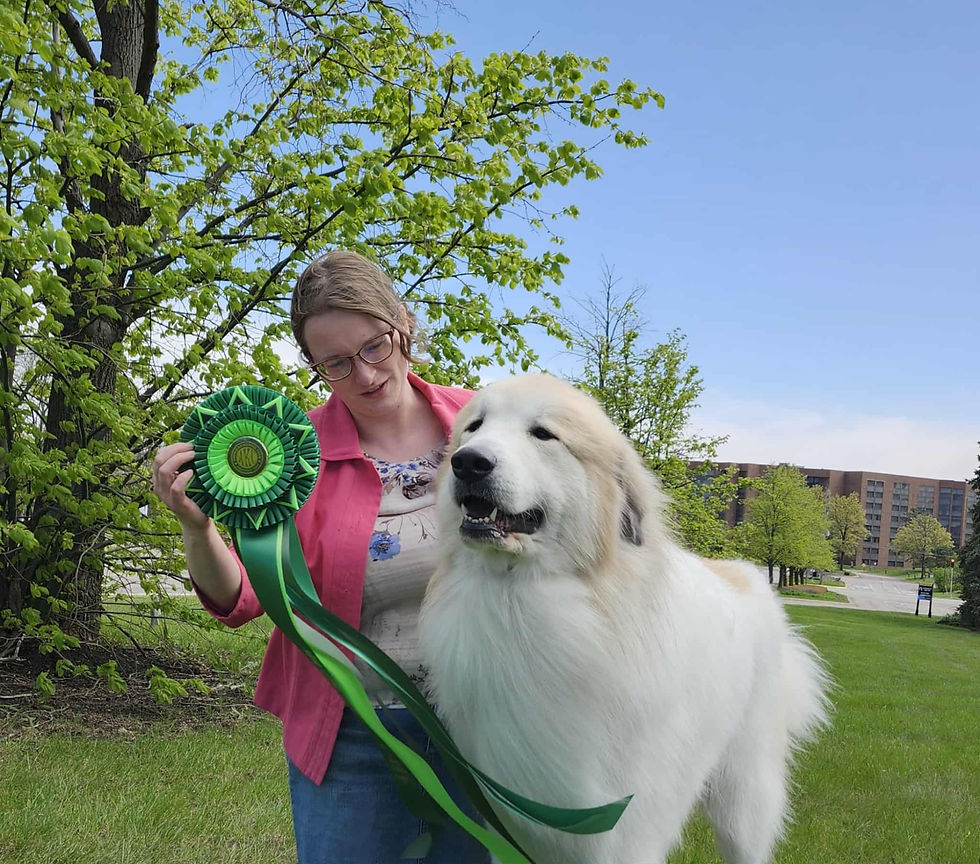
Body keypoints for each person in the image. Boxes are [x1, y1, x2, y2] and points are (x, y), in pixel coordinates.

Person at [152, 250, 489, 864]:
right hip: (352, 736)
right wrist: (197, 530)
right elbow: (241, 600)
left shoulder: (485, 424)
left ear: (401, 323)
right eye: (335, 362)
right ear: (314, 365)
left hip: (490, 728)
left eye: (374, 347)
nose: (363, 374)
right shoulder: (292, 455)